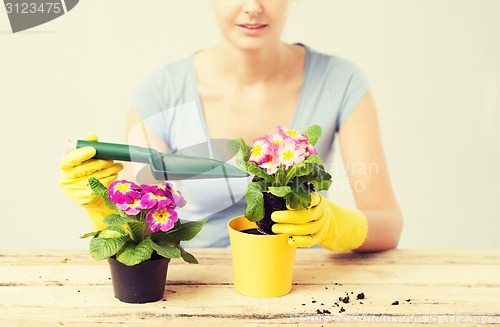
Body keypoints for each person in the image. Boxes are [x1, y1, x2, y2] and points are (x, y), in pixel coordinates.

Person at [60, 0, 403, 252]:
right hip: (194, 284)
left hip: (302, 281)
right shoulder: (161, 92)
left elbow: (388, 223)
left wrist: (334, 225)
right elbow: (146, 222)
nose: (252, 7)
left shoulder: (340, 81)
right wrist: (102, 207)